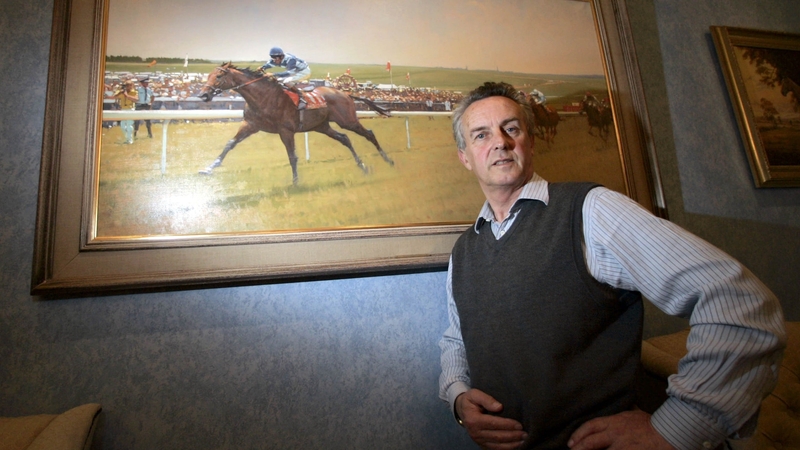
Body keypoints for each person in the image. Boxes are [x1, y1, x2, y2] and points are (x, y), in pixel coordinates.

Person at [438, 81, 785, 450]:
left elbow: (739, 301)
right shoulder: (464, 251)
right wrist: (458, 397)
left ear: (531, 141)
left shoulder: (591, 211)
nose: (501, 142)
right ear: (465, 157)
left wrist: (676, 428)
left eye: (511, 128)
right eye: (481, 134)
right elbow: (458, 338)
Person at [114, 80, 138, 144]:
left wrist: (127, 95)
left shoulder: (134, 92)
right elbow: (114, 96)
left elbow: (136, 99)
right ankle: (127, 138)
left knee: (129, 125)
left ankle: (130, 140)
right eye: (126, 85)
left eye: (129, 85)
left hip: (130, 109)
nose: (128, 87)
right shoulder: (121, 92)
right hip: (123, 109)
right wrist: (120, 92)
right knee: (122, 126)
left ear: (132, 86)